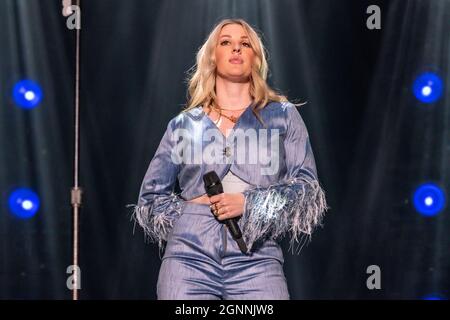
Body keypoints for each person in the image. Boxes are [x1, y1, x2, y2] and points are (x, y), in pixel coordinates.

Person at [132, 18, 328, 300]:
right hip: (188, 259)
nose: (236, 48)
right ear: (213, 55)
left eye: (245, 43)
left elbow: (307, 189)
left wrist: (250, 204)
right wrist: (192, 216)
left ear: (255, 57)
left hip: (257, 257)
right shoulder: (184, 124)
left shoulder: (283, 115)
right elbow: (150, 198)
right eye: (226, 42)